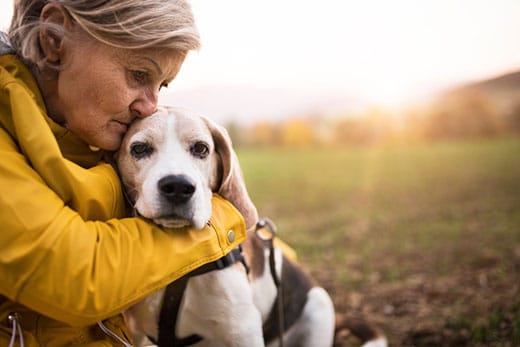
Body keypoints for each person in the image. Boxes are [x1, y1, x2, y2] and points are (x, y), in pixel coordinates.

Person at [0, 1, 247, 345]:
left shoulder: (90, 136)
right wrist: (219, 219)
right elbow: (78, 276)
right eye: (139, 74)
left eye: (161, 86)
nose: (149, 106)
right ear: (54, 40)